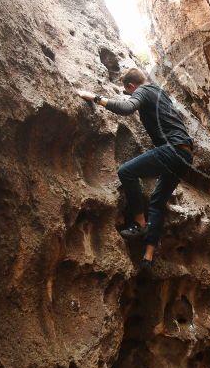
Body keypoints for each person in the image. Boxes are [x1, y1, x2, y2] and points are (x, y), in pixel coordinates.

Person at [76, 68, 194, 272]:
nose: (131, 94)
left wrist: (95, 97)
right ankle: (147, 258)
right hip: (185, 156)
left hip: (172, 149)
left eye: (129, 91)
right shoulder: (160, 92)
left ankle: (139, 223)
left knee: (126, 172)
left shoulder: (143, 90)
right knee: (157, 203)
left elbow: (126, 108)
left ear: (131, 86)